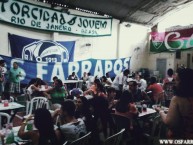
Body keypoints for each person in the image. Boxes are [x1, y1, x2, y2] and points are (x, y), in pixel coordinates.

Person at [156, 68, 193, 139]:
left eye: (177, 80)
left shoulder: (177, 99)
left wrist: (160, 111)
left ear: (184, 82)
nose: (175, 82)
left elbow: (169, 122)